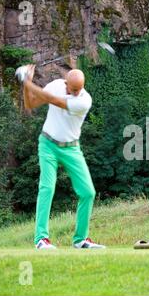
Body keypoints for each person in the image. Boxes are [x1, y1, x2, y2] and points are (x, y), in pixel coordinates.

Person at [15, 64, 105, 250]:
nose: (76, 93)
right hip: (48, 144)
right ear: (66, 84)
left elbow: (52, 100)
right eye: (73, 90)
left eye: (79, 89)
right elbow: (30, 104)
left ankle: (81, 239)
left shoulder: (84, 101)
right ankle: (41, 239)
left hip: (72, 148)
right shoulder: (56, 85)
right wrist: (26, 86)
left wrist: (27, 80)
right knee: (47, 188)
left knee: (88, 192)